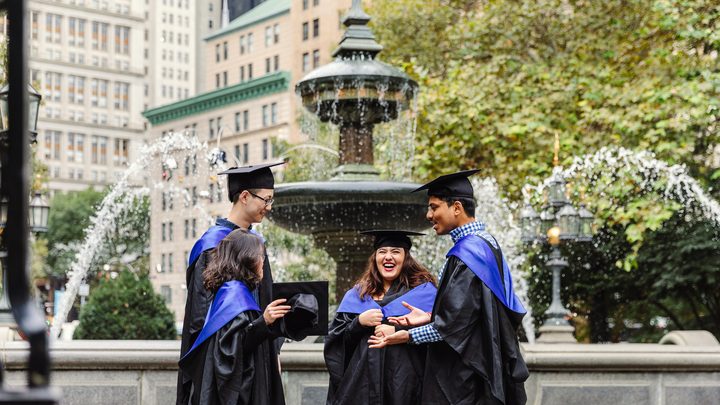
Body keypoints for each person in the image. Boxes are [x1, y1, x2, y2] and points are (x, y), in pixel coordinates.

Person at [368, 170, 529, 405]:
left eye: (434, 207)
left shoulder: (467, 256)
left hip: (465, 378)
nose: (429, 214)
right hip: (480, 368)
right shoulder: (487, 245)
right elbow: (471, 315)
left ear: (456, 207)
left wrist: (406, 336)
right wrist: (430, 316)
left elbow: (453, 327)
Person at [177, 161, 284, 404]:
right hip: (223, 361)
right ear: (245, 196)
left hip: (258, 353)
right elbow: (199, 316)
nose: (269, 207)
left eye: (271, 200)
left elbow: (266, 297)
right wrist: (205, 371)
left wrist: (274, 349)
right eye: (266, 199)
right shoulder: (211, 245)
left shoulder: (256, 244)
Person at [178, 228, 291, 405]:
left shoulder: (230, 293)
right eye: (259, 256)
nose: (262, 262)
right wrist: (263, 323)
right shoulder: (234, 297)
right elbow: (229, 354)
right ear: (246, 258)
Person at [325, 230, 437, 405]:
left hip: (406, 383)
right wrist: (359, 323)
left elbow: (440, 333)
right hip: (361, 385)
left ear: (406, 258)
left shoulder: (425, 293)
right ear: (375, 257)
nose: (388, 257)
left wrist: (399, 329)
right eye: (382, 252)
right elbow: (335, 342)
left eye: (395, 252)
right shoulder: (358, 295)